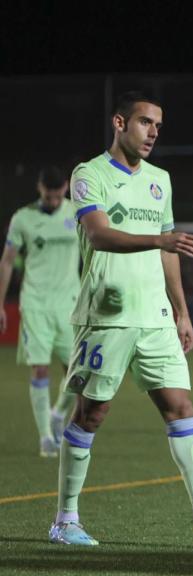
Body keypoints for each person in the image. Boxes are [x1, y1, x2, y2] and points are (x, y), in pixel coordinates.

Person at [49, 91, 193, 547]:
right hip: (107, 315)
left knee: (181, 409)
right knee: (92, 413)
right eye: (145, 122)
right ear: (119, 122)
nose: (153, 132)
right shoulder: (89, 173)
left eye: (158, 125)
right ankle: (65, 520)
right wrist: (160, 241)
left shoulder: (160, 179)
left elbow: (170, 256)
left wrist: (181, 312)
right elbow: (99, 235)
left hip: (156, 318)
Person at [0, 166, 80, 457]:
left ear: (67, 188)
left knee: (76, 371)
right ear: (39, 188)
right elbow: (8, 261)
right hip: (35, 303)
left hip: (70, 305)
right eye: (49, 197)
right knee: (40, 367)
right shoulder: (23, 218)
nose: (54, 202)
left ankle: (59, 413)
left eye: (58, 197)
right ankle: (46, 437)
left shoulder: (77, 213)